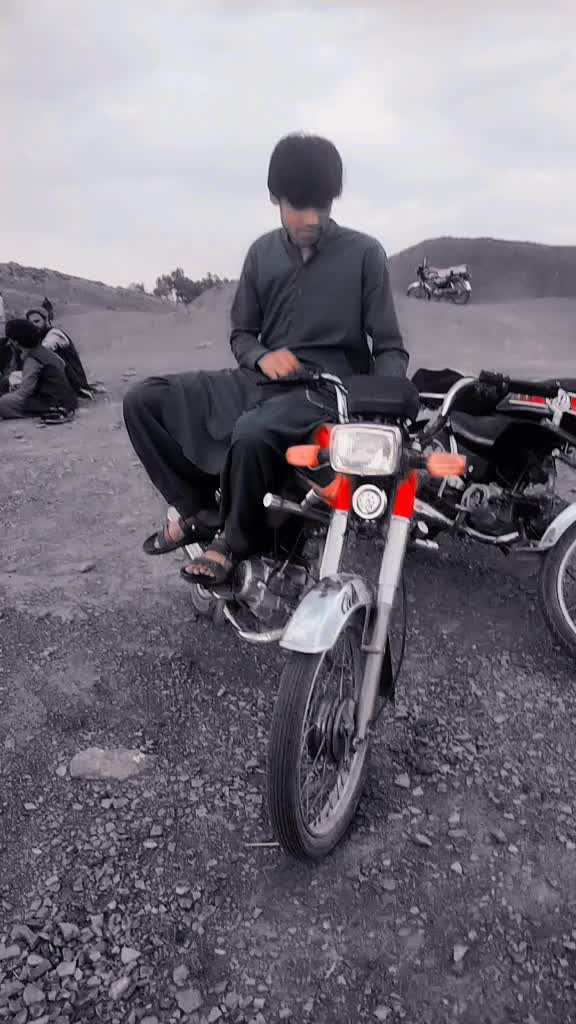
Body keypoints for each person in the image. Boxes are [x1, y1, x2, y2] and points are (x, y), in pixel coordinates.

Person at [124, 132, 408, 587]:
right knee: (143, 401)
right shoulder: (261, 253)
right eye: (299, 205)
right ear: (276, 198)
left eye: (321, 205)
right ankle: (201, 508)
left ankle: (232, 542)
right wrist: (261, 356)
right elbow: (242, 334)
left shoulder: (365, 254)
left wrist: (379, 406)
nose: (311, 218)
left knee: (252, 432)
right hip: (257, 380)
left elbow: (389, 345)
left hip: (322, 391)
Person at [0, 319, 78, 420]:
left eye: (10, 339)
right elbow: (62, 365)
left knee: (3, 402)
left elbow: (25, 391)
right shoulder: (43, 350)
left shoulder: (32, 359)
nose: (9, 342)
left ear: (16, 341)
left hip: (51, 401)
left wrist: (10, 395)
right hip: (67, 397)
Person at [25, 309, 92, 398]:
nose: (34, 325)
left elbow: (43, 350)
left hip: (74, 382)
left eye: (37, 321)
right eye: (30, 323)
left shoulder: (55, 334)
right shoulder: (40, 336)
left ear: (46, 320)